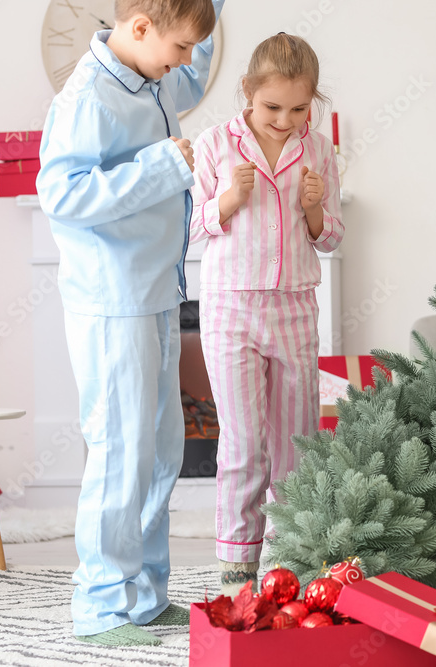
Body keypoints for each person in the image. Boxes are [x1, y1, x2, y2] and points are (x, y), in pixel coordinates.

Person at [36, 0, 224, 647]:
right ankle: (101, 605)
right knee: (120, 452)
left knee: (161, 449)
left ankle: (143, 595)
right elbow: (61, 195)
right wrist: (163, 166)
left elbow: (192, 71)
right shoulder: (88, 98)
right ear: (140, 28)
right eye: (177, 49)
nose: (185, 65)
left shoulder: (150, 73)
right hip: (111, 299)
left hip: (156, 292)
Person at [189, 33, 344, 597]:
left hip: (296, 306)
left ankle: (295, 559)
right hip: (231, 307)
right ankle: (236, 572)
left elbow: (331, 238)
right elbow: (188, 229)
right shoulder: (213, 145)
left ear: (313, 102)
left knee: (297, 445)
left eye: (299, 108)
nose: (285, 120)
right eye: (272, 106)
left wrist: (312, 207)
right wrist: (227, 201)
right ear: (248, 93)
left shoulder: (319, 148)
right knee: (243, 443)